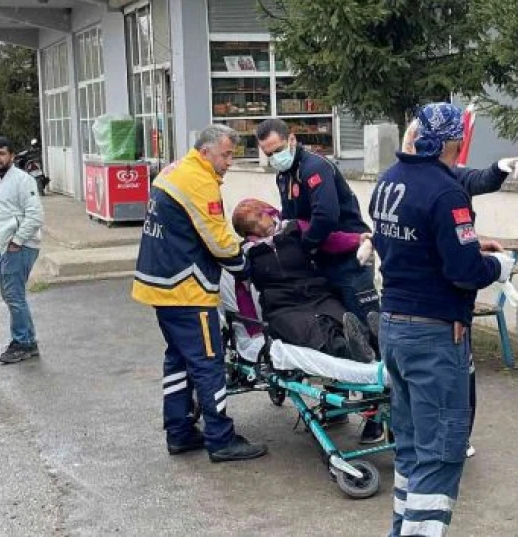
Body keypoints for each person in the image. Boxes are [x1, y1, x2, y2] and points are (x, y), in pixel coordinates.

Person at [372, 102, 515, 537]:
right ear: (456, 140)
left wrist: (471, 247)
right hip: (434, 334)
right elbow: (463, 271)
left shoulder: (388, 180)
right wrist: (499, 268)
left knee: (412, 446)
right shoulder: (447, 191)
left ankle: (402, 529)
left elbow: (402, 247)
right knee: (442, 452)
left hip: (393, 323)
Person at [131, 125, 267, 463]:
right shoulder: (200, 181)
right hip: (187, 289)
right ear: (205, 152)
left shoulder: (175, 169)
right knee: (208, 363)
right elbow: (219, 240)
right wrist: (245, 267)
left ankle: (179, 432)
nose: (229, 162)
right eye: (225, 155)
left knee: (178, 359)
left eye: (232, 155)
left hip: (161, 285)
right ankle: (221, 438)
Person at [399, 117, 518, 458]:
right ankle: (444, 444)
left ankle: (449, 439)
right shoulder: (431, 185)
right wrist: (494, 267)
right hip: (439, 306)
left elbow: (478, 181)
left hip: (412, 308)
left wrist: (499, 167)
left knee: (447, 376)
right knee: (442, 378)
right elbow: (457, 265)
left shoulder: (414, 179)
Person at [255, 119, 378, 326]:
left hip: (350, 257)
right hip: (323, 258)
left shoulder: (314, 167)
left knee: (367, 323)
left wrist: (304, 246)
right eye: (268, 155)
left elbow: (326, 216)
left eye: (277, 150)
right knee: (344, 327)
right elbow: (291, 215)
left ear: (291, 139)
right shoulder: (284, 175)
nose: (275, 158)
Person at [230, 198, 375, 364]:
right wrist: (255, 332)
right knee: (315, 332)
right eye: (253, 227)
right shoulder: (247, 254)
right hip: (283, 308)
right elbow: (243, 292)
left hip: (317, 295)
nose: (261, 226)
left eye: (260, 217)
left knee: (342, 318)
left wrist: (358, 239)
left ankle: (373, 340)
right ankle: (350, 351)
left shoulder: (295, 228)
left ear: (268, 211)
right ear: (248, 234)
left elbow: (329, 241)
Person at [0, 136, 46, 365]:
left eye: (1, 154)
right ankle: (26, 340)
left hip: (18, 247)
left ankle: (23, 343)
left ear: (11, 156)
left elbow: (35, 215)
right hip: (1, 248)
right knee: (10, 296)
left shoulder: (22, 180)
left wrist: (17, 241)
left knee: (14, 296)